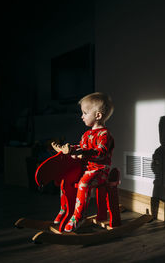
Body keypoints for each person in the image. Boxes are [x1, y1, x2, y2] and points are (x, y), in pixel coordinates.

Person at [51, 92, 115, 232]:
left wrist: (81, 153)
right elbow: (81, 147)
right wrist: (67, 149)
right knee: (65, 179)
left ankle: (79, 216)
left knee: (84, 183)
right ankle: (65, 209)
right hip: (85, 169)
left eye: (85, 113)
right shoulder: (86, 134)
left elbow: (100, 153)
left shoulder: (104, 135)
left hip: (100, 170)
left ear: (98, 116)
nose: (82, 116)